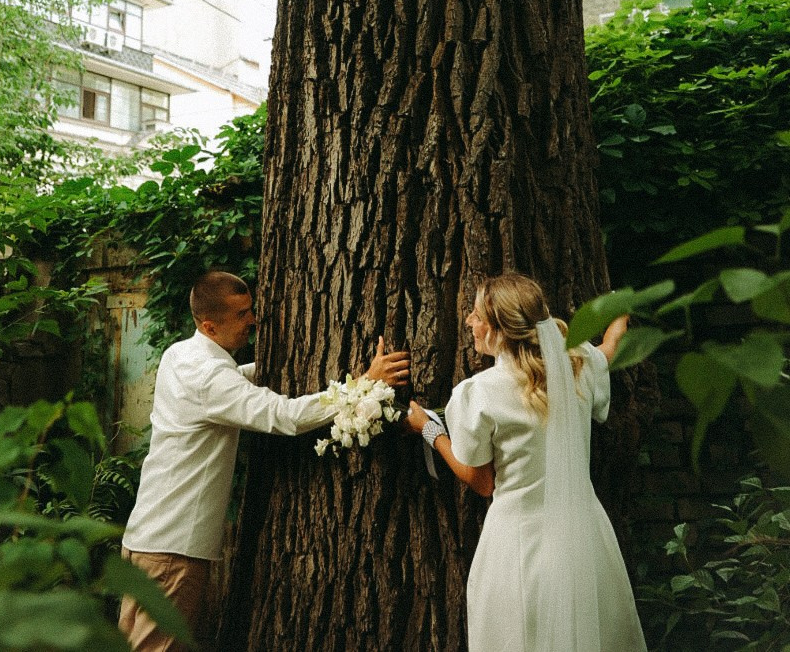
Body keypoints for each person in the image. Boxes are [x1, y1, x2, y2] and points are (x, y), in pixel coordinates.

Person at [119, 269, 410, 652]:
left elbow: (230, 382)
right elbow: (283, 416)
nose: (254, 321)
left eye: (250, 309)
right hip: (173, 551)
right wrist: (364, 384)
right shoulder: (209, 378)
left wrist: (287, 364)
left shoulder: (181, 355)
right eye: (241, 314)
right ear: (209, 326)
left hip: (147, 539)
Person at [407, 271, 646, 652]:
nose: (468, 321)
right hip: (583, 539)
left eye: (476, 315)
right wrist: (620, 315)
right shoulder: (577, 367)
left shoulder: (478, 393)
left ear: (499, 329)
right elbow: (609, 349)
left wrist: (430, 431)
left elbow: (481, 481)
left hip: (518, 547)